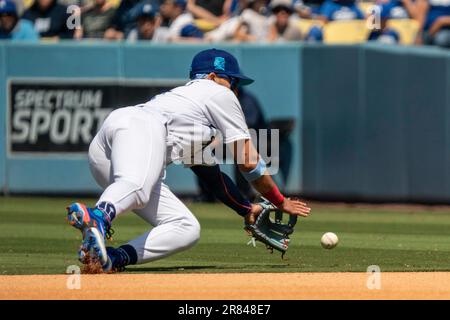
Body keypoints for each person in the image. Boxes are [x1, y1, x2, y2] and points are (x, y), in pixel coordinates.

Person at [66, 48, 311, 272]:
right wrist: (279, 200)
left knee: (186, 228)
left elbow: (212, 177)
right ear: (213, 76)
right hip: (138, 128)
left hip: (108, 150)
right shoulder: (218, 92)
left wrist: (246, 209)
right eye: (233, 81)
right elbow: (248, 161)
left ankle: (111, 259)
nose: (236, 89)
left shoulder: (190, 112)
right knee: (137, 188)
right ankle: (98, 217)